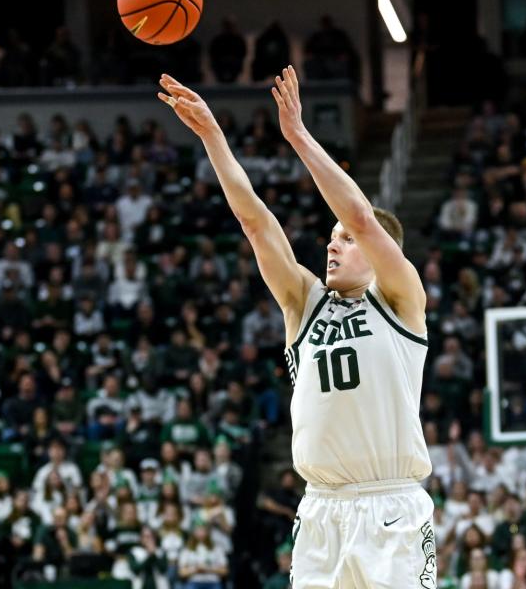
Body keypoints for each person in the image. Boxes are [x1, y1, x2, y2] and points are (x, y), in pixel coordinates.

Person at [159, 64, 433, 588]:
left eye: (345, 241)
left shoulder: (401, 300)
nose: (332, 244)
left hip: (391, 509)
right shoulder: (303, 302)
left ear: (382, 255)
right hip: (321, 510)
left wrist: (299, 136)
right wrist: (214, 137)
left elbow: (360, 216)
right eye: (330, 238)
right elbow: (255, 221)